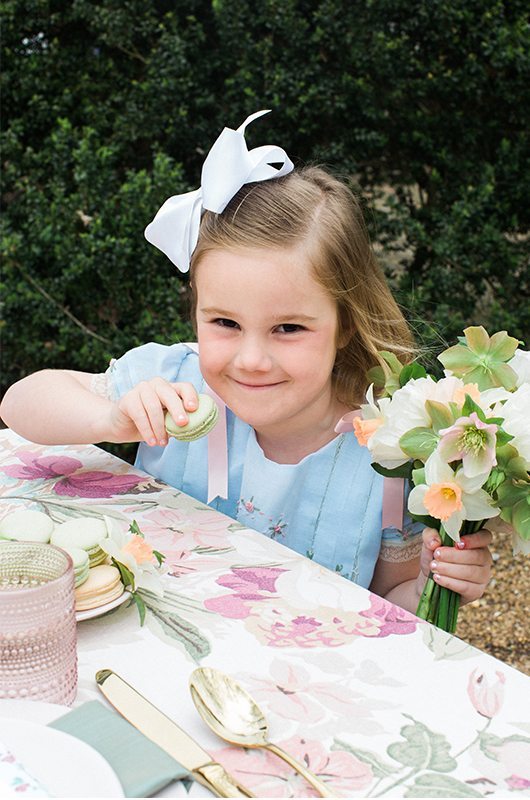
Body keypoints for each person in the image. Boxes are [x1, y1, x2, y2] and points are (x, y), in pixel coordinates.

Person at [0, 110, 493, 615]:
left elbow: (391, 600)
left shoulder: (390, 454)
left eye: (289, 328)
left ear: (345, 322)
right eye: (225, 324)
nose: (251, 360)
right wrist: (109, 418)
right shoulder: (172, 381)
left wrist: (439, 582)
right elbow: (20, 404)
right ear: (195, 310)